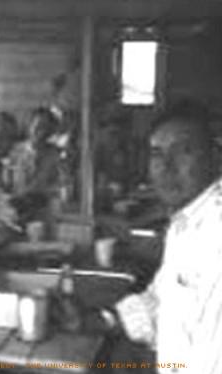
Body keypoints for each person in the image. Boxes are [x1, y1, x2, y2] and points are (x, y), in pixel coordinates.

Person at [96, 102, 222, 374]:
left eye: (183, 151)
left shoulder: (216, 233)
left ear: (215, 156)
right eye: (156, 154)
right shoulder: (185, 223)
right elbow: (159, 300)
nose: (166, 166)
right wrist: (103, 319)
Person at [9, 108, 65, 198]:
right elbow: (11, 182)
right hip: (19, 203)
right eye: (38, 125)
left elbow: (58, 184)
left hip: (44, 203)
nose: (42, 131)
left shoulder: (54, 154)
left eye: (46, 127)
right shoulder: (15, 151)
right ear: (29, 125)